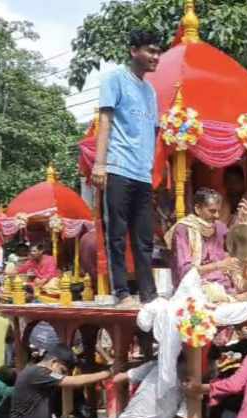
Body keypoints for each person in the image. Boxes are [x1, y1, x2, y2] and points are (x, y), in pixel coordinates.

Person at [91, 29, 162, 307]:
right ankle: (121, 292)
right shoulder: (114, 79)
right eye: (150, 51)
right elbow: (105, 122)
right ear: (134, 51)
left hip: (142, 174)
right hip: (118, 167)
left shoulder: (151, 92)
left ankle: (149, 294)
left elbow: (153, 133)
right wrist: (100, 163)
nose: (156, 57)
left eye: (158, 52)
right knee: (117, 235)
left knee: (145, 238)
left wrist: (154, 168)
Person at [164, 187, 247, 300]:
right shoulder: (183, 229)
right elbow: (185, 271)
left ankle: (232, 297)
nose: (217, 215)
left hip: (224, 286)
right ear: (198, 209)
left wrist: (241, 220)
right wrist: (219, 265)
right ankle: (232, 298)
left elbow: (235, 244)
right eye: (212, 211)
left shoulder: (219, 227)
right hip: (196, 287)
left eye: (218, 211)